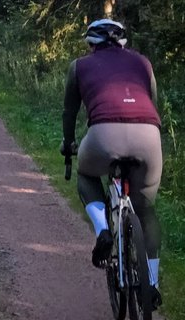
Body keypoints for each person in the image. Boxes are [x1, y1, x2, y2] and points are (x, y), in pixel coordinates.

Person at [60, 19, 163, 310]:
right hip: (148, 136)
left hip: (103, 135)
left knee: (86, 174)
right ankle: (152, 284)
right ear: (123, 42)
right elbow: (153, 103)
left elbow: (70, 112)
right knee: (146, 211)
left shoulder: (79, 66)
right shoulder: (144, 63)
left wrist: (68, 144)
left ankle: (103, 229)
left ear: (91, 44)